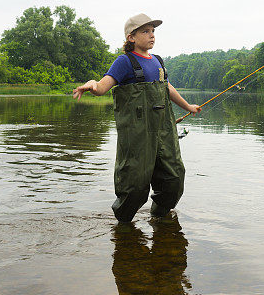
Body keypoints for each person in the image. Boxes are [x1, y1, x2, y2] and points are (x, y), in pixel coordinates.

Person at [73, 13, 201, 222]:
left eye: (153, 31)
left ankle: (159, 218)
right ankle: (123, 225)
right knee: (134, 186)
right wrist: (91, 84)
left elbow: (167, 88)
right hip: (137, 134)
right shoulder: (124, 62)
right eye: (145, 31)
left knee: (174, 179)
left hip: (164, 132)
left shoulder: (158, 61)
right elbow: (102, 86)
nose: (152, 36)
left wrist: (188, 106)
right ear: (131, 37)